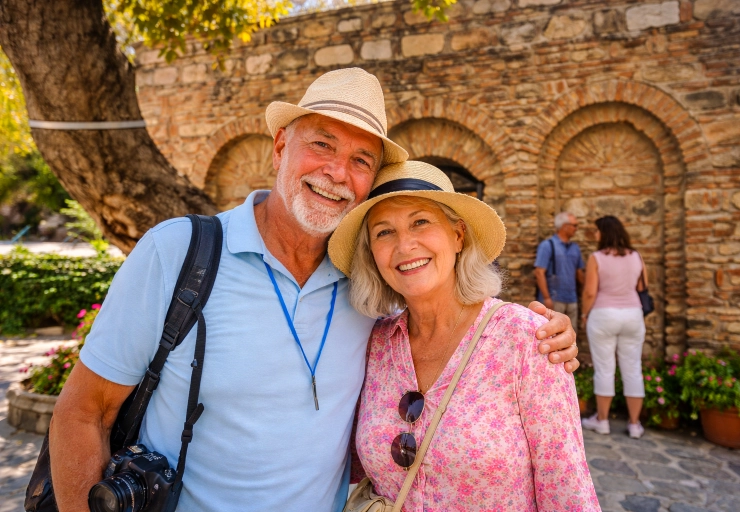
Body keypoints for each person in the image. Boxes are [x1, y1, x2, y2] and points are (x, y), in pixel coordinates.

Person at [49, 68, 580, 512]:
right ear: (280, 147)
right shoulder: (178, 253)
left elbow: (449, 316)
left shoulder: (368, 288)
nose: (335, 172)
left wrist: (540, 335)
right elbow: (83, 413)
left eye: (360, 160)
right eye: (321, 144)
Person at [328, 161, 599, 511]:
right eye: (384, 232)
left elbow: (567, 488)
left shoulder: (526, 338)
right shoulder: (375, 343)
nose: (404, 245)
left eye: (420, 222)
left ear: (458, 236)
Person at [580, 215, 648, 439]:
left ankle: (602, 420)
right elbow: (641, 285)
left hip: (604, 314)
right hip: (632, 314)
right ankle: (635, 424)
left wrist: (584, 313)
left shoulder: (597, 257)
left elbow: (590, 291)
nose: (595, 235)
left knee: (604, 368)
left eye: (597, 231)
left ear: (605, 233)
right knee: (633, 369)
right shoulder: (636, 256)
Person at [534, 211, 585, 330]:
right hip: (554, 299)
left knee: (571, 335)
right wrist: (547, 298)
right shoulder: (547, 245)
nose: (576, 229)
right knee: (552, 335)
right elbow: (539, 272)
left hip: (572, 299)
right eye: (574, 225)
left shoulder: (575, 248)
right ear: (564, 226)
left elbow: (579, 273)